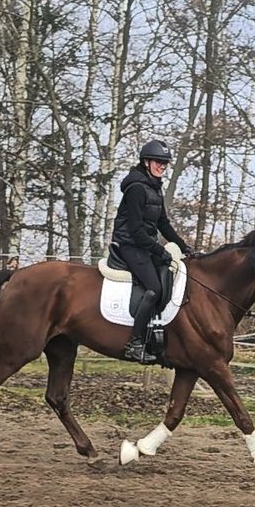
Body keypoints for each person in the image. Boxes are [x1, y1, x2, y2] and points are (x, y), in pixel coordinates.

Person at [110, 140, 193, 363]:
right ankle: (135, 343)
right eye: (159, 162)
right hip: (129, 244)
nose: (162, 167)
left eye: (165, 164)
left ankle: (157, 333)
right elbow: (136, 230)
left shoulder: (155, 187)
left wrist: (184, 247)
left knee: (170, 276)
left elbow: (163, 224)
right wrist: (159, 250)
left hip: (144, 245)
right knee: (154, 288)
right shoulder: (137, 188)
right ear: (146, 162)